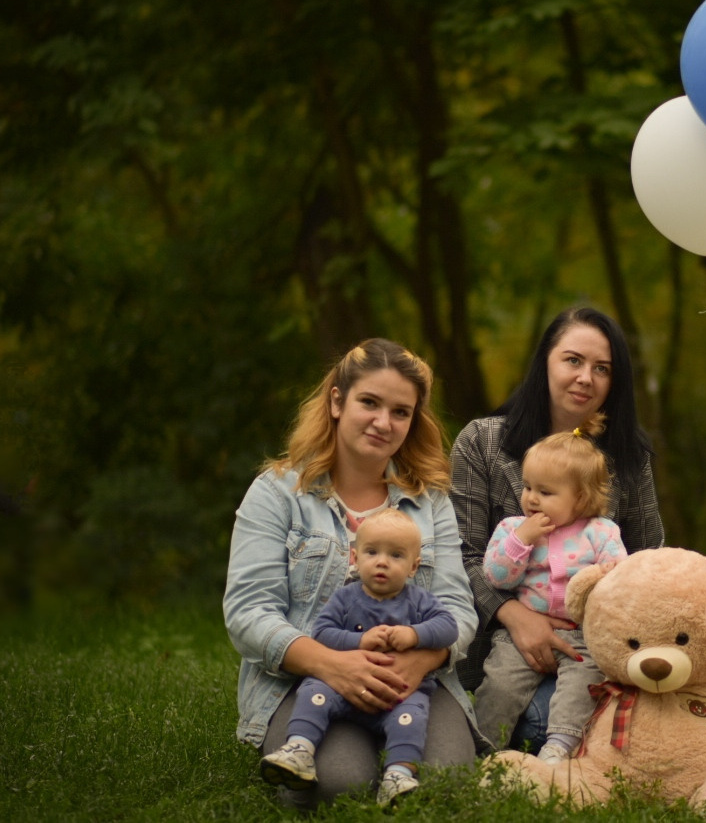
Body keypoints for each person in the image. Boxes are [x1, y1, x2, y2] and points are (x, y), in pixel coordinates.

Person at [224, 339, 480, 809]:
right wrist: (332, 664)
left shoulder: (431, 503)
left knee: (445, 786)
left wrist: (419, 661)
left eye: (401, 412)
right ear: (337, 401)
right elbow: (248, 612)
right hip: (306, 681)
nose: (384, 422)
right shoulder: (278, 493)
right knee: (338, 785)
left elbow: (458, 608)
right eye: (370, 402)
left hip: (412, 680)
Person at [451, 305, 664, 750]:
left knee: (555, 720)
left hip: (588, 649)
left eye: (602, 369)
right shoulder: (483, 442)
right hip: (500, 648)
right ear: (545, 362)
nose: (586, 377)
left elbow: (647, 560)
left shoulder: (627, 457)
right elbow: (460, 555)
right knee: (525, 717)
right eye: (573, 360)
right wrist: (516, 617)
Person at [260, 509, 459, 807]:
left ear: (414, 566)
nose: (382, 561)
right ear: (354, 558)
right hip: (342, 686)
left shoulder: (419, 601)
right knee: (313, 690)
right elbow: (323, 633)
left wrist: (414, 635)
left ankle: (398, 774)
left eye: (396, 555)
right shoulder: (345, 598)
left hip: (398, 692)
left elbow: (449, 627)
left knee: (413, 715)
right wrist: (360, 640)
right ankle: (299, 748)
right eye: (372, 552)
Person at [473, 414, 627, 761]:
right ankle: (483, 747)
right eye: (528, 487)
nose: (532, 499)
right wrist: (520, 542)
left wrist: (604, 577)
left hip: (581, 634)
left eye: (546, 492)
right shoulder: (514, 528)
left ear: (582, 498)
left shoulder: (600, 532)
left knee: (581, 683)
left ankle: (559, 745)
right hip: (523, 633)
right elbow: (496, 577)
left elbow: (620, 579)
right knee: (500, 683)